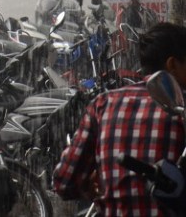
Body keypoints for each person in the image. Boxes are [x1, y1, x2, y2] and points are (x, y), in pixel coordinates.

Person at [53, 22, 186, 216]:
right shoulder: (181, 108)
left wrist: (88, 185)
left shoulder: (103, 104)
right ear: (172, 64)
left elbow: (64, 182)